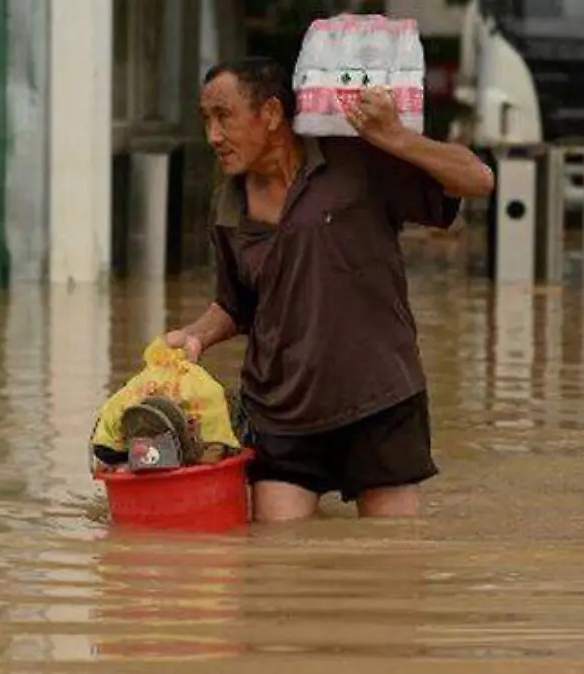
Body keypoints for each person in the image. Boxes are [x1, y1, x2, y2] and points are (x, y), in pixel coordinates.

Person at [164, 57, 495, 522]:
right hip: (281, 412)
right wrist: (192, 338)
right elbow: (234, 304)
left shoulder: (356, 161)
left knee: (392, 564)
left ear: (273, 114)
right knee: (278, 560)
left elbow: (478, 180)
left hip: (378, 399)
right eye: (207, 120)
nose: (212, 136)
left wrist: (396, 137)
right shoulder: (228, 205)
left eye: (224, 117)